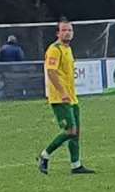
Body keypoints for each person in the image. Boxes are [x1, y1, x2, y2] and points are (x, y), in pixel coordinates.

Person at [38, 19, 95, 175]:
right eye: (64, 30)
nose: (67, 33)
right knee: (70, 130)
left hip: (71, 97)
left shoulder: (67, 49)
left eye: (70, 30)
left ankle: (76, 165)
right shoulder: (54, 49)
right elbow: (51, 71)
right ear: (58, 33)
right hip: (59, 98)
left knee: (76, 132)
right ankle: (45, 155)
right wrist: (62, 92)